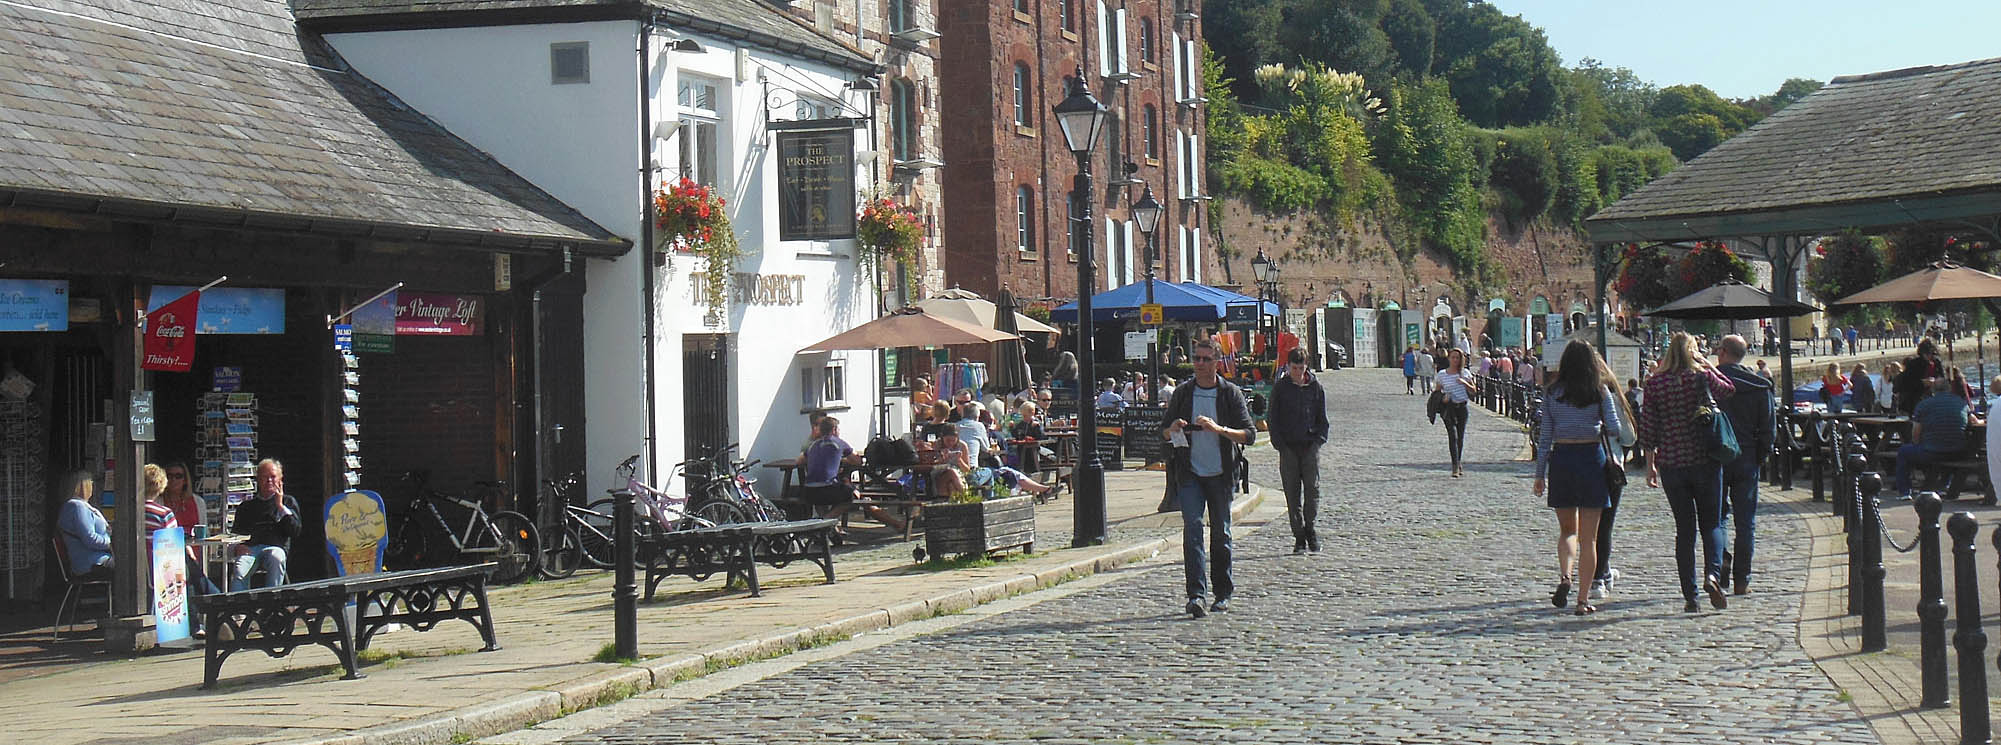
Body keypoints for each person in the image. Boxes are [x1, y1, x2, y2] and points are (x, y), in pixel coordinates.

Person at [1640, 332, 1736, 613]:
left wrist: (1650, 466)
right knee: (1711, 524)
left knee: (1685, 530)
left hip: (1672, 463)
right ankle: (1712, 575)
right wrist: (1707, 365)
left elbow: (1648, 428)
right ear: (1692, 352)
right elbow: (1728, 389)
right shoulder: (1700, 378)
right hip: (1704, 460)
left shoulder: (1655, 383)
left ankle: (1690, 596)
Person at [1164, 337, 1255, 618]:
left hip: (1221, 474)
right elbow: (1163, 432)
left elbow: (1249, 435)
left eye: (1206, 359)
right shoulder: (1183, 393)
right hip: (1190, 472)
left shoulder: (1229, 394)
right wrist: (1173, 428)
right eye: (1196, 359)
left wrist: (1219, 429)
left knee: (1221, 533)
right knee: (1192, 531)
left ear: (1217, 362)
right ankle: (1196, 595)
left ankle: (1223, 593)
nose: (1200, 364)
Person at [1532, 341, 1621, 616]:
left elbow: (1545, 437)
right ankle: (1582, 600)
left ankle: (1565, 576)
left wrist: (1539, 474)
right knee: (1589, 539)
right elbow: (1616, 428)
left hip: (1563, 459)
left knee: (1567, 531)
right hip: (1591, 459)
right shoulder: (1599, 391)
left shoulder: (1552, 393)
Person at [1714, 336, 1774, 596]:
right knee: (1746, 523)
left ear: (1724, 352)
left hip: (1716, 457)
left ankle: (1720, 569)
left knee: (1717, 519)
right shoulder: (1760, 385)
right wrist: (1760, 456)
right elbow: (1768, 430)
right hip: (1747, 456)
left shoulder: (1710, 382)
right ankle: (1742, 580)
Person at [1587, 356, 1639, 602]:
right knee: (1605, 523)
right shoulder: (1610, 395)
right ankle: (1599, 577)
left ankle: (1599, 571)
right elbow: (1628, 437)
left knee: (1585, 527)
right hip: (1609, 464)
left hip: (1578, 464)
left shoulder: (1567, 394)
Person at [1268, 347, 1329, 554]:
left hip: (1310, 445)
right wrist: (1280, 445)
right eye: (1294, 368)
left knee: (1313, 490)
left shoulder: (1315, 387)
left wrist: (1319, 440)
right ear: (1288, 367)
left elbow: (1322, 417)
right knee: (1292, 495)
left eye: (1301, 368)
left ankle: (1310, 529)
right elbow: (1273, 418)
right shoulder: (1281, 388)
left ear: (1306, 366)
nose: (1298, 372)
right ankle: (1299, 536)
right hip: (1288, 448)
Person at [800, 417, 905, 534]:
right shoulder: (838, 442)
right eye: (838, 429)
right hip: (827, 489)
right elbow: (857, 461)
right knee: (853, 495)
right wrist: (843, 459)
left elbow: (799, 462)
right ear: (834, 430)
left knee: (849, 495)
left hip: (808, 491)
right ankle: (825, 522)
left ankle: (828, 529)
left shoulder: (813, 445)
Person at [1898, 377, 1980, 499]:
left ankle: (1905, 492)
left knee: (1904, 452)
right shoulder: (1961, 403)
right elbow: (1973, 421)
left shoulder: (1923, 405)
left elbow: (1916, 433)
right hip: (1958, 451)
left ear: (1932, 389)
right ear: (1949, 388)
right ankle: (1943, 485)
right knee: (1944, 449)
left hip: (1932, 451)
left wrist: (1917, 444)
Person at [229, 459, 300, 591]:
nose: (269, 481)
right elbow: (235, 534)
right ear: (258, 480)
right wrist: (237, 547)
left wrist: (280, 506)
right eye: (264, 477)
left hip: (275, 547)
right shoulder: (246, 506)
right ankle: (238, 608)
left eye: (273, 477)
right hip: (251, 549)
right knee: (239, 568)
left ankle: (271, 604)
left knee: (276, 558)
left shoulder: (288, 502)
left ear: (280, 479)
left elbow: (294, 531)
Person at [932, 425, 1055, 497]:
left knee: (1004, 473)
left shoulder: (962, 446)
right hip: (947, 477)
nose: (951, 443)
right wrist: (942, 459)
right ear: (942, 438)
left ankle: (1042, 490)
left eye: (953, 440)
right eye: (948, 440)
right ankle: (1043, 490)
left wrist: (959, 461)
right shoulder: (937, 445)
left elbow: (967, 470)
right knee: (1003, 473)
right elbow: (932, 466)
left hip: (963, 475)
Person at [56, 471, 111, 577]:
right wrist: (111, 544)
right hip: (92, 561)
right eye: (90, 482)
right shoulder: (77, 507)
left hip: (93, 558)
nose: (92, 485)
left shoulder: (76, 506)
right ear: (83, 485)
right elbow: (90, 539)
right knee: (130, 565)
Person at [1434, 348, 1478, 477]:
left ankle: (1458, 461)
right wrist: (1443, 398)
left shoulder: (1465, 373)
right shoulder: (1442, 374)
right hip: (1449, 408)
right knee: (1452, 436)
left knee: (1460, 436)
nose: (1455, 360)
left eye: (1457, 358)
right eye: (1452, 357)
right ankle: (1454, 466)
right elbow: (1436, 393)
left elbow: (1474, 391)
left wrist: (1465, 383)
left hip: (1462, 407)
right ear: (1449, 359)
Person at [1894, 338, 1945, 414]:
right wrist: (1922, 383)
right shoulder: (1914, 364)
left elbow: (1943, 379)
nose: (1930, 357)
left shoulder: (1937, 363)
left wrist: (1937, 382)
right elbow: (1903, 384)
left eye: (1932, 354)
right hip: (1915, 401)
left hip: (1934, 398)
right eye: (1927, 354)